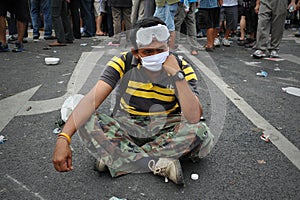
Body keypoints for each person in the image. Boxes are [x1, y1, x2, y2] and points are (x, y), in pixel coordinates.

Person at [52, 17, 214, 185]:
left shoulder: (182, 68)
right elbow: (91, 101)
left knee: (200, 132)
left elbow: (194, 116)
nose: (155, 56)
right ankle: (156, 162)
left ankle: (118, 158)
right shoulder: (123, 62)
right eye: (148, 52)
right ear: (136, 52)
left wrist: (177, 76)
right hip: (127, 127)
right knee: (86, 119)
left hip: (167, 128)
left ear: (168, 46)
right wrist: (63, 138)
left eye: (160, 50)